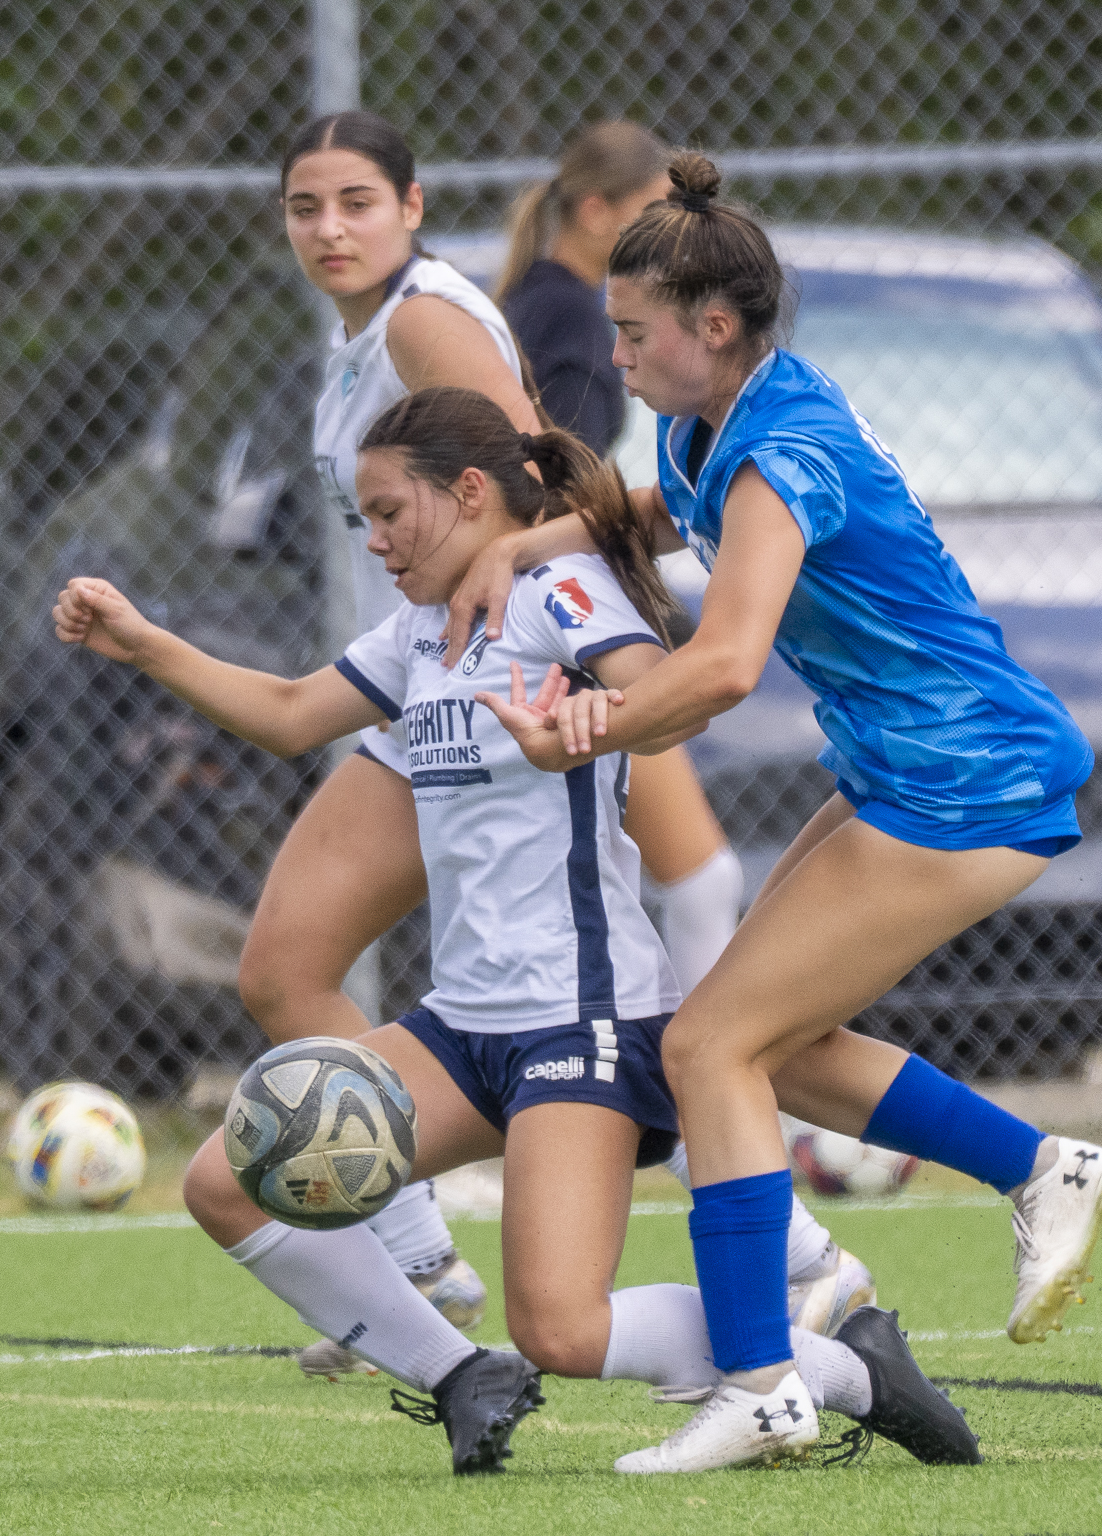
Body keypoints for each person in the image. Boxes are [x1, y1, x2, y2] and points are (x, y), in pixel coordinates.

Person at [56, 389, 979, 1476]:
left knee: (565, 1330)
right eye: (363, 516)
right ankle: (460, 1374)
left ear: (470, 493)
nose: (375, 537)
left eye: (390, 510)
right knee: (225, 1179)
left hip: (581, 1027)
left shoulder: (560, 592)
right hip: (461, 1029)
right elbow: (292, 713)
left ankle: (844, 1367)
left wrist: (602, 716)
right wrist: (145, 642)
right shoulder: (421, 632)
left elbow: (673, 690)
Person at [457, 153, 1102, 1473]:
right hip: (916, 764)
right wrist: (524, 547)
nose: (616, 353)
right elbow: (665, 512)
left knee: (710, 1046)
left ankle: (764, 1382)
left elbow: (720, 670)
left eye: (633, 331)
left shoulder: (785, 449)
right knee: (767, 1041)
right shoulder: (720, 427)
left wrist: (581, 730)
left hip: (969, 776)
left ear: (714, 329)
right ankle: (1041, 1168)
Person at [253, 111, 770, 1378]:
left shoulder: (425, 318)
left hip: (497, 660)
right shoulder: (357, 336)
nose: (329, 228)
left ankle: (787, 1265)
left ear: (414, 206)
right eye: (304, 205)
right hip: (444, 664)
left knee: (687, 956)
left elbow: (517, 474)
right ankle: (424, 1244)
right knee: (286, 968)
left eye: (356, 202)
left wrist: (519, 603)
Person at [497, 120, 744, 997]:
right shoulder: (571, 313)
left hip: (538, 612)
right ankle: (701, 1112)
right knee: (702, 881)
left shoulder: (535, 298)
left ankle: (705, 1095)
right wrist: (615, 610)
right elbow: (550, 480)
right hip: (558, 623)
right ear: (597, 213)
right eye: (651, 214)